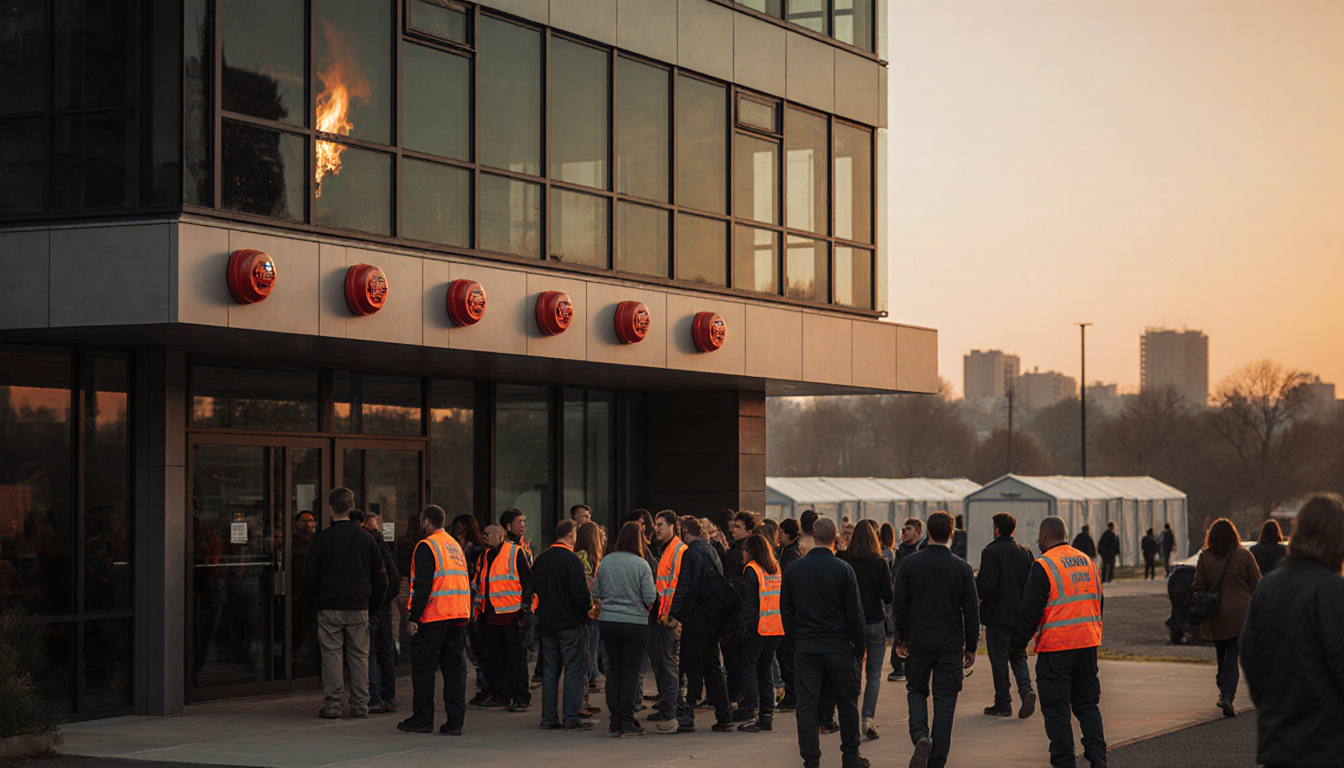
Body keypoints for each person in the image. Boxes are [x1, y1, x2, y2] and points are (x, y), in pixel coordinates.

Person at [1242, 493, 1344, 768]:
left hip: (1278, 741)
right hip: (1325, 745)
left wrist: (1272, 705)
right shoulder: (1331, 591)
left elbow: (1250, 657)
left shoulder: (1267, 588)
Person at [1011, 516, 1106, 768]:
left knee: (1057, 709)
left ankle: (1064, 762)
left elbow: (1030, 612)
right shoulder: (1088, 562)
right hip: (1087, 643)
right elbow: (1099, 601)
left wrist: (1017, 646)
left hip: (1057, 648)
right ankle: (1097, 756)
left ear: (1043, 535)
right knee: (1087, 704)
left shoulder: (1044, 565)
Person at [892, 511, 978, 768]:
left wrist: (901, 638)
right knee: (945, 701)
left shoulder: (910, 564)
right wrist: (971, 646)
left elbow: (901, 604)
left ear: (927, 533)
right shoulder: (961, 568)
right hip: (950, 644)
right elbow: (972, 612)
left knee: (916, 690)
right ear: (951, 534)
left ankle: (920, 735)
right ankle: (937, 759)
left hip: (919, 641)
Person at [782, 518, 868, 768]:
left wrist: (795, 641)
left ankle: (811, 759)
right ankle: (850, 756)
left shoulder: (795, 569)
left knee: (807, 705)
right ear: (836, 538)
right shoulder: (843, 569)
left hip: (807, 645)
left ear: (812, 537)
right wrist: (858, 647)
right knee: (847, 701)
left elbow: (786, 612)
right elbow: (855, 613)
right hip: (838, 645)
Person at [298, 487, 387, 720]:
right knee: (359, 657)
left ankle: (333, 705)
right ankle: (360, 705)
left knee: (332, 657)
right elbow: (381, 577)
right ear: (350, 507)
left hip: (329, 606)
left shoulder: (322, 538)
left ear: (330, 510)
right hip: (359, 605)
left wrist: (308, 607)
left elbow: (310, 577)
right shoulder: (366, 538)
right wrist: (374, 606)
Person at [397, 505, 470, 735]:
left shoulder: (427, 545)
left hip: (434, 616)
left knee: (424, 670)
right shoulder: (453, 545)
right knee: (453, 671)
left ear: (426, 521)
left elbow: (423, 584)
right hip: (457, 616)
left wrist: (413, 617)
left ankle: (422, 718)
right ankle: (455, 722)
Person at [668, 516, 736, 732]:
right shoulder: (712, 550)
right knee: (713, 666)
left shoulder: (691, 553)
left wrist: (674, 613)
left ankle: (687, 713)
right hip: (712, 617)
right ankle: (723, 716)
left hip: (695, 617)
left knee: (689, 665)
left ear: (687, 531)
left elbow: (685, 586)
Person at [529, 519, 595, 731]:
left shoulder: (541, 560)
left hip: (547, 624)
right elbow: (580, 594)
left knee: (550, 670)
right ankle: (571, 718)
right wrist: (586, 610)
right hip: (569, 623)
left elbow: (533, 590)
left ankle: (548, 718)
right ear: (571, 535)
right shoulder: (572, 560)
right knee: (574, 670)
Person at [593, 521, 658, 737]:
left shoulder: (606, 561)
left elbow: (596, 592)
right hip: (635, 623)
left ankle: (615, 720)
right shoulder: (641, 565)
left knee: (614, 671)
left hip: (609, 621)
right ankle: (628, 721)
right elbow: (650, 596)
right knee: (631, 672)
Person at [1191, 518, 1260, 717]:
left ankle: (1223, 690)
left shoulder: (1205, 557)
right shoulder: (1243, 555)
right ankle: (1228, 694)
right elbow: (1256, 583)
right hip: (1240, 612)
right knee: (1234, 652)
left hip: (1215, 613)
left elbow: (1198, 586)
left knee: (1221, 653)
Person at [975, 512, 1035, 719]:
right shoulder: (1025, 552)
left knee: (999, 659)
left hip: (997, 616)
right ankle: (1026, 690)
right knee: (1018, 656)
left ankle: (1003, 702)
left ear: (997, 529)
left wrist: (974, 583)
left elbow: (987, 586)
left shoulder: (991, 552)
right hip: (1020, 615)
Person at [843, 520, 893, 740]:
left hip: (850, 623)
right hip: (874, 621)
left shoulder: (844, 560)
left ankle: (849, 717)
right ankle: (868, 717)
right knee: (873, 675)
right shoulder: (880, 563)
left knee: (851, 671)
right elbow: (889, 595)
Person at [475, 522, 532, 711]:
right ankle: (502, 694)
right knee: (496, 658)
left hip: (512, 616)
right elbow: (479, 584)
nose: (484, 537)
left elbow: (527, 584)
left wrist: (524, 610)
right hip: (490, 617)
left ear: (500, 535)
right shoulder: (483, 557)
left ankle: (521, 697)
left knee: (516, 659)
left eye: (488, 534)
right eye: (483, 534)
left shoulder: (515, 553)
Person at [734, 533, 784, 732]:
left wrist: (741, 629)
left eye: (745, 549)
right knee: (765, 671)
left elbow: (749, 604)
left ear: (752, 551)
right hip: (775, 626)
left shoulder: (752, 569)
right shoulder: (775, 569)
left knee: (747, 665)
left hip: (758, 626)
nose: (743, 553)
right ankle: (766, 717)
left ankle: (750, 708)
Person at [352, 509, 401, 714]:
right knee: (384, 650)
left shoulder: (365, 544)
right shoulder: (380, 543)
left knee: (370, 652)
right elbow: (392, 577)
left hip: (372, 604)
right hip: (383, 603)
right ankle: (387, 694)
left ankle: (374, 696)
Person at [647, 510, 692, 734]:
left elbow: (680, 588)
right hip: (664, 617)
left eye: (661, 524)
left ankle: (672, 712)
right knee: (665, 665)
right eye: (656, 524)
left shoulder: (678, 551)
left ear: (674, 526)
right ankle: (672, 707)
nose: (657, 529)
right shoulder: (668, 551)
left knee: (668, 665)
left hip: (670, 619)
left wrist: (675, 616)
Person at [888, 517, 924, 683]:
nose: (903, 532)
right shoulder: (900, 552)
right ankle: (898, 666)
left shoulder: (919, 554)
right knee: (898, 631)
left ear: (918, 532)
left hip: (914, 603)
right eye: (902, 529)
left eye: (908, 529)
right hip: (899, 600)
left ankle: (907, 666)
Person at [575, 521, 604, 715]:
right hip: (590, 613)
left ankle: (584, 699)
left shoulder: (586, 556)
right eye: (600, 535)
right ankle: (581, 701)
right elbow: (588, 584)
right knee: (587, 656)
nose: (604, 539)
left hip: (593, 612)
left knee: (590, 655)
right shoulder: (584, 556)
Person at [775, 517, 803, 713]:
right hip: (788, 614)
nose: (778, 535)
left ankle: (792, 695)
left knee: (787, 657)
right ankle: (792, 693)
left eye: (781, 532)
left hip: (787, 615)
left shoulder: (789, 556)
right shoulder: (789, 553)